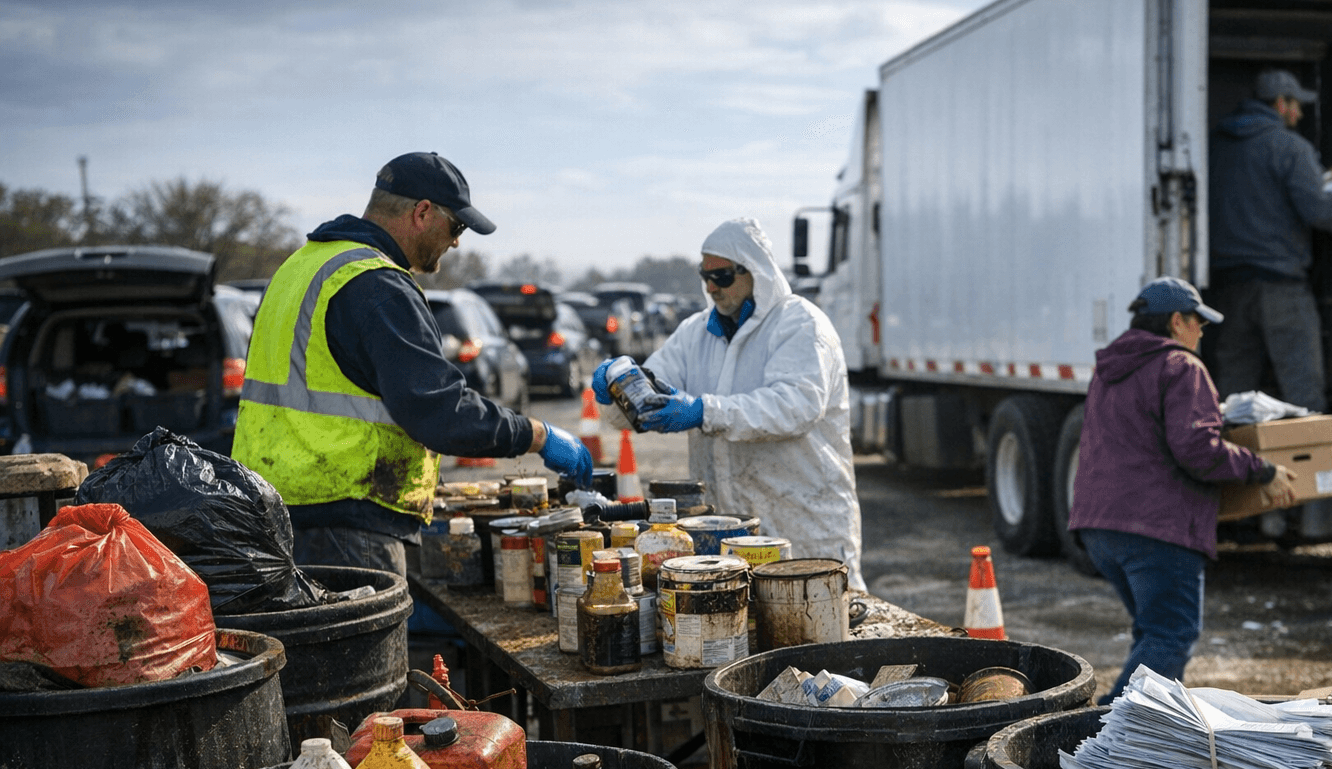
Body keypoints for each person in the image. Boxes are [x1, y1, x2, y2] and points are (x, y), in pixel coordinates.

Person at [232, 152, 592, 579]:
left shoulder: (300, 266)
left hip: (268, 514)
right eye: (456, 227)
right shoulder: (377, 285)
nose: (457, 242)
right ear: (423, 212)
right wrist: (537, 434)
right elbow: (439, 412)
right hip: (348, 522)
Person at [590, 217, 865, 589]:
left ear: (755, 271)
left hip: (803, 530)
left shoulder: (800, 325)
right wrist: (616, 391)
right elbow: (647, 398)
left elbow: (795, 406)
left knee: (817, 629)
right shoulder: (696, 333)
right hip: (729, 539)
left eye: (721, 277)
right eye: (705, 276)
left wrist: (704, 411)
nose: (711, 287)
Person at [1068, 277, 1297, 702]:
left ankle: (1147, 735)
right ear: (1177, 321)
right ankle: (1105, 733)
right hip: (1156, 529)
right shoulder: (1181, 367)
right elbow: (1197, 448)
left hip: (1099, 527)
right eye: (1198, 321)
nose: (1202, 331)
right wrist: (1262, 470)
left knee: (1152, 632)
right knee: (1171, 636)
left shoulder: (1109, 369)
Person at [1207, 68, 1332, 413]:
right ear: (1281, 104)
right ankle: (1311, 467)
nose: (1299, 114)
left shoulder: (1216, 147)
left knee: (1232, 400)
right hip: (1280, 287)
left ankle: (1229, 464)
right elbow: (1317, 208)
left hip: (1228, 290)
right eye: (1296, 105)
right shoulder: (1290, 148)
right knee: (1303, 395)